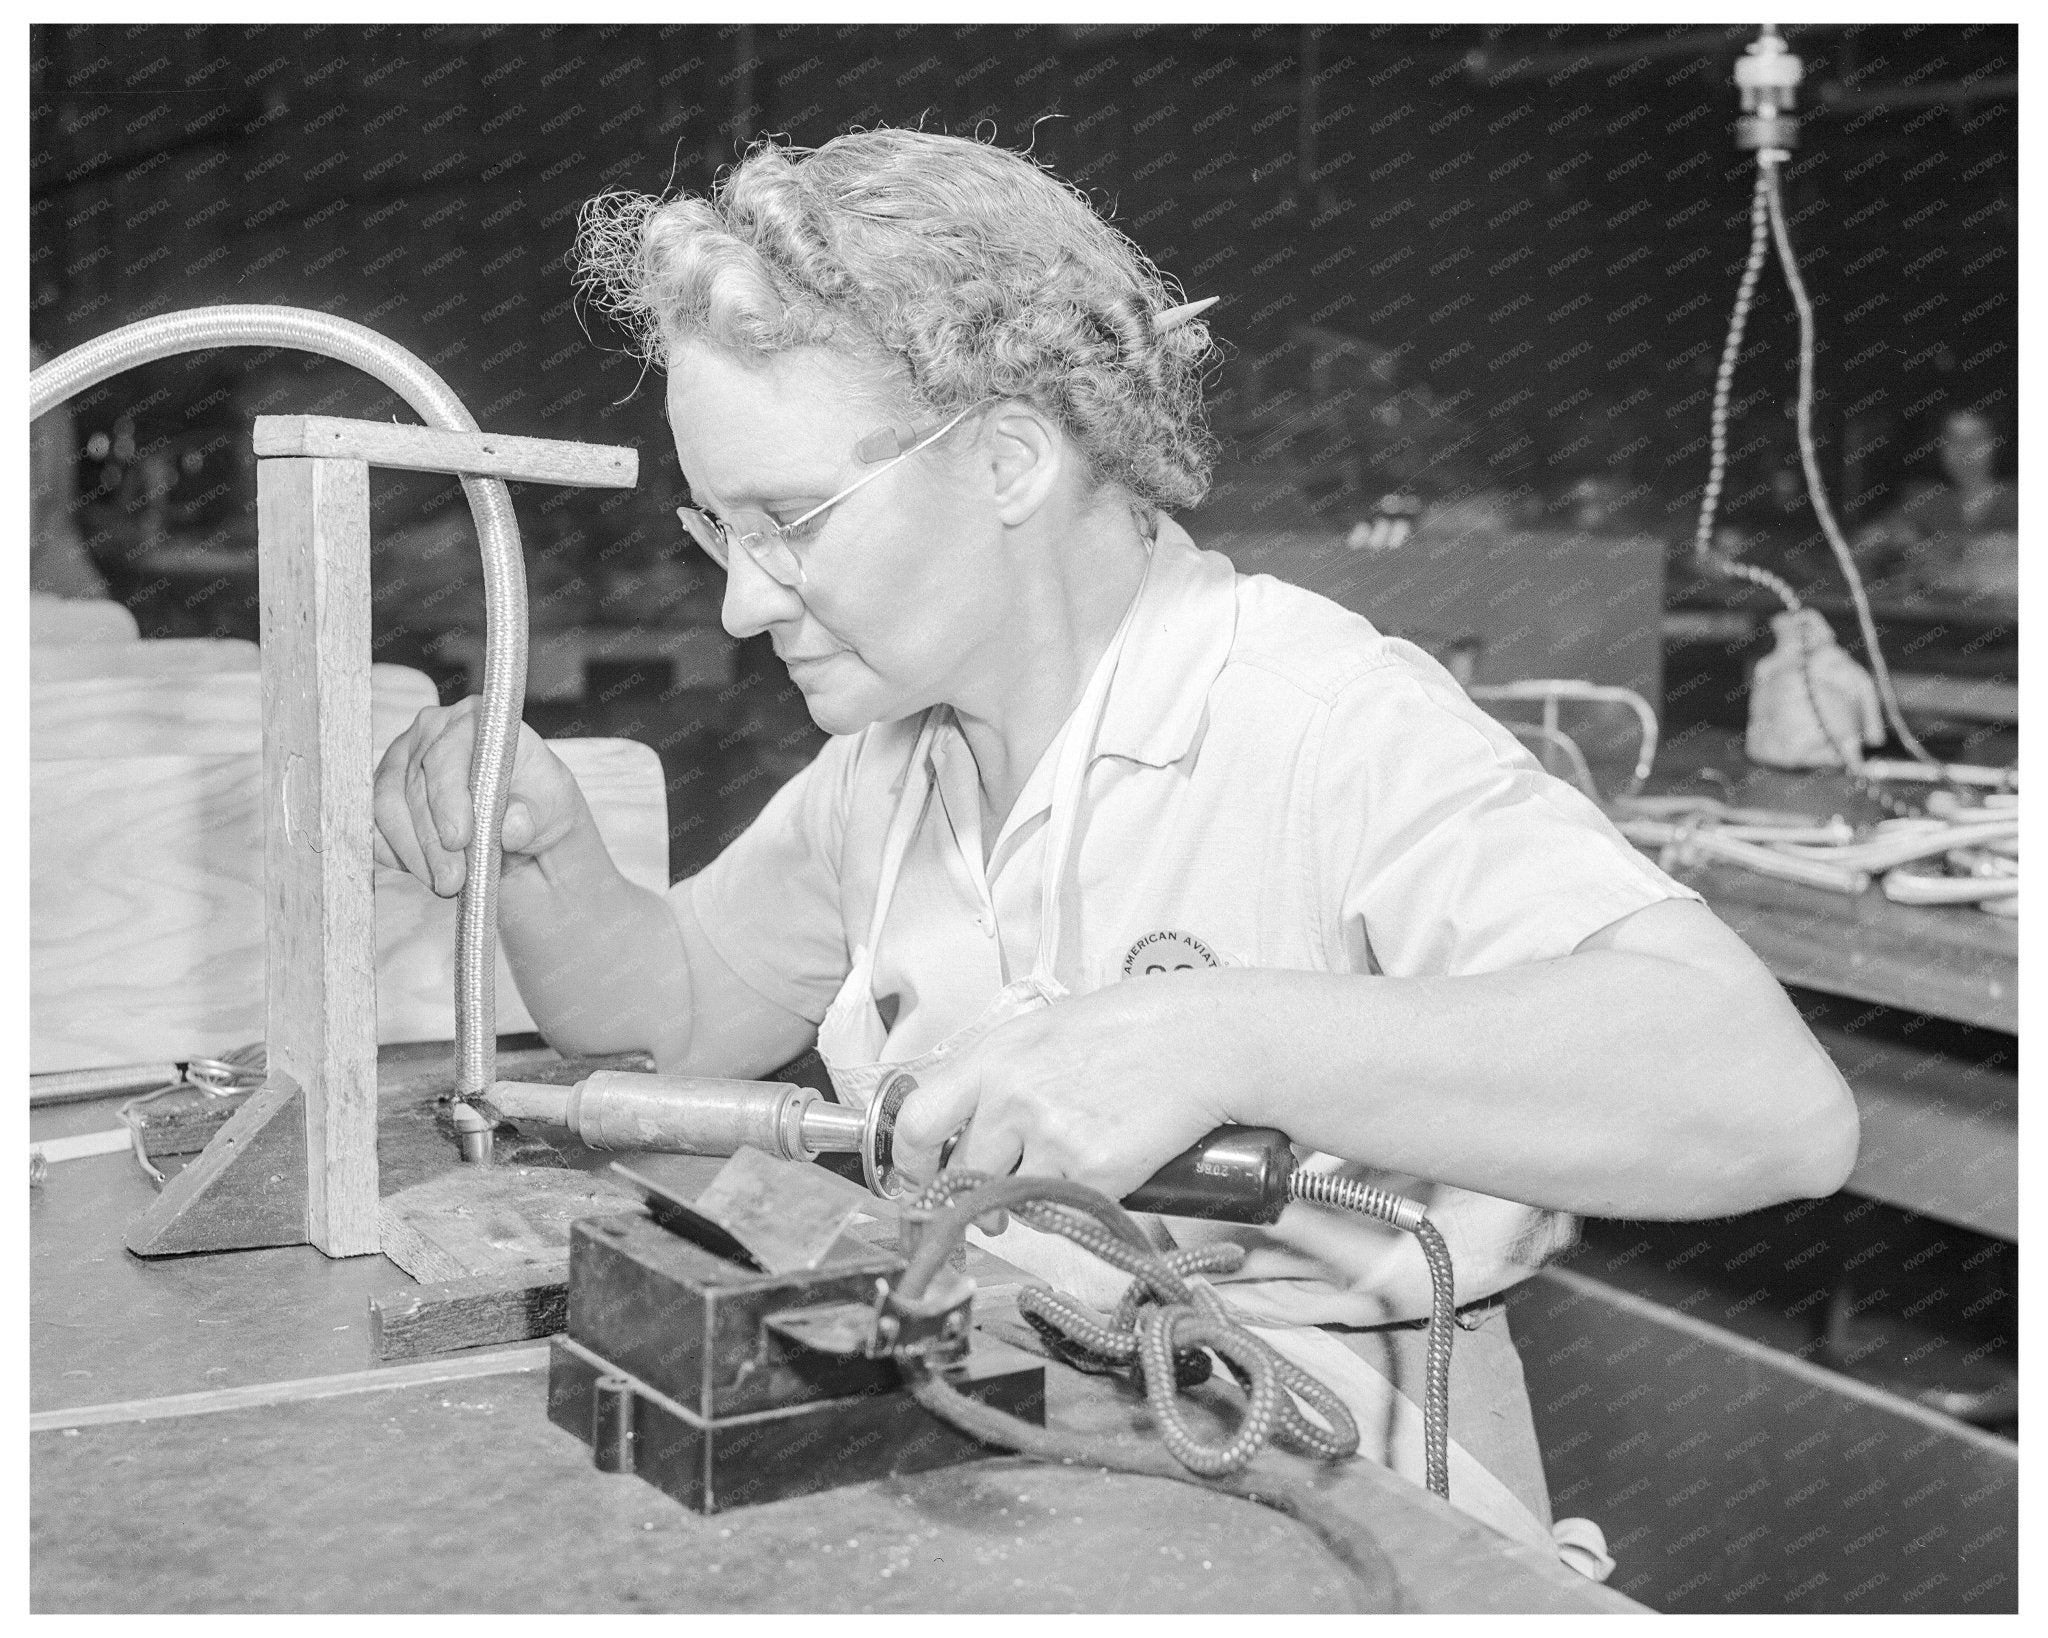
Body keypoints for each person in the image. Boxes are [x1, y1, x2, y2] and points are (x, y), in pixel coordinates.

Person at [373, 129, 1858, 1556]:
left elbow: (1770, 1102)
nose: (742, 605)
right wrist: (542, 853)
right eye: (720, 531)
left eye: (792, 522)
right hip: (1036, 1443)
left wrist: (1211, 1038)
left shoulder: (1305, 713)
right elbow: (676, 1014)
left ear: (1010, 459)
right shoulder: (895, 762)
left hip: (1340, 1492)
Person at [1851, 407, 2018, 610]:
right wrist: (1893, 541)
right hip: (1941, 626)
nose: (1965, 449)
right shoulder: (1926, 499)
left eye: (1977, 438)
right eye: (1953, 439)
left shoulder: (2016, 498)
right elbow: (1861, 545)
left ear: (1996, 444)